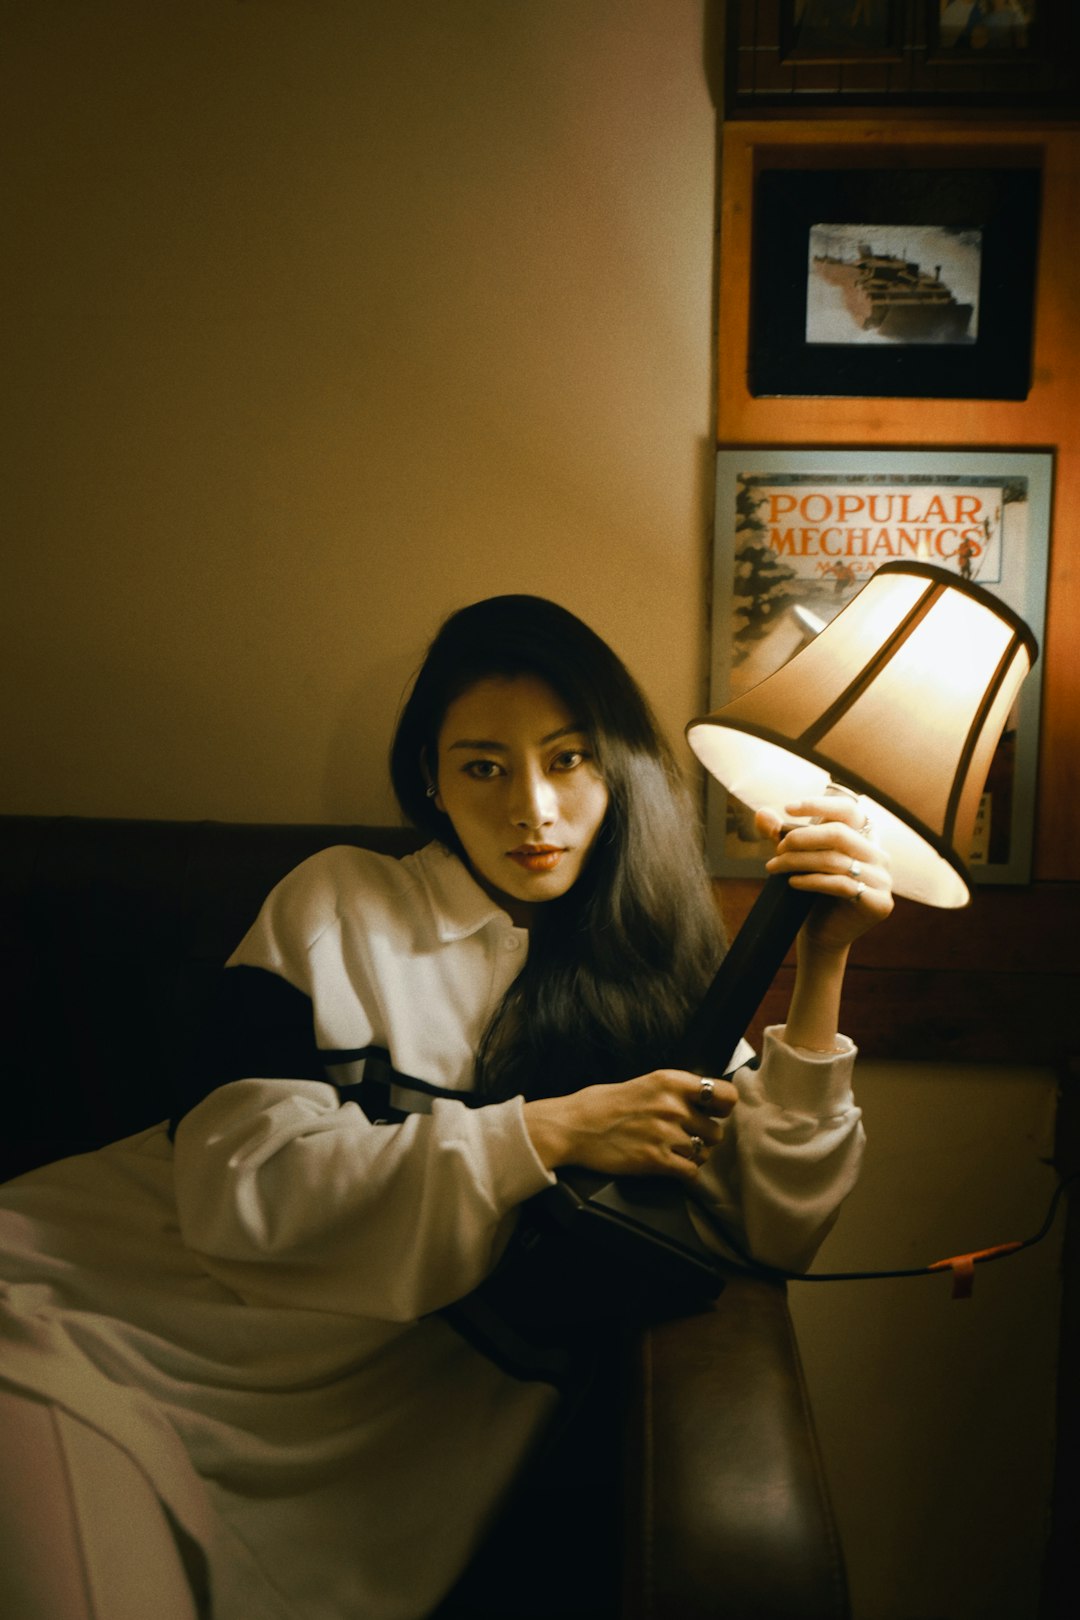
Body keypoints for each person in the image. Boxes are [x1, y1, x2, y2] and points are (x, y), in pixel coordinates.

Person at [0, 594, 893, 1620]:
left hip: (335, 1441)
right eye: (484, 766)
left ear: (618, 769)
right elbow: (241, 1183)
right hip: (77, 1318)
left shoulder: (661, 991)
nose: (531, 810)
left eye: (567, 760)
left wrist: (824, 963)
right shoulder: (342, 901)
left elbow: (779, 1224)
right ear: (430, 778)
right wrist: (547, 1130)